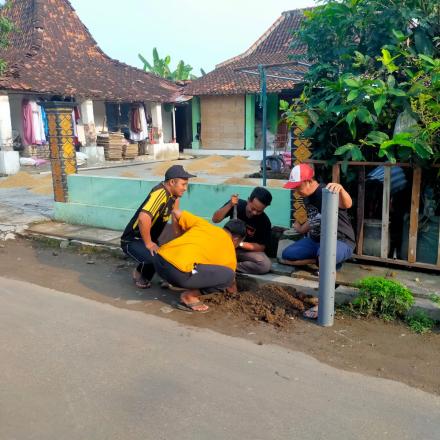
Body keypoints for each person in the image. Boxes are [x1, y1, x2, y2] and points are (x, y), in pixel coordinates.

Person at [282, 163, 356, 318]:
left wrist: (340, 189)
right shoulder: (307, 196)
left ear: (309, 181)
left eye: (297, 187)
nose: (296, 191)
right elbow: (316, 218)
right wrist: (301, 229)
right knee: (288, 254)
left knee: (325, 254)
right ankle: (324, 261)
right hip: (317, 240)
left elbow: (347, 204)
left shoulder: (326, 191)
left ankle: (324, 304)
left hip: (341, 240)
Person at [155, 210, 246, 312]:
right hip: (177, 273)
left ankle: (169, 281)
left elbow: (176, 213)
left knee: (195, 266)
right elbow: (231, 283)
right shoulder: (229, 249)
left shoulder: (204, 225)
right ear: (236, 239)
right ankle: (189, 296)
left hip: (159, 260)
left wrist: (179, 237)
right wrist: (235, 296)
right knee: (228, 275)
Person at [120, 165, 196, 288]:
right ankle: (139, 274)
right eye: (183, 184)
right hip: (133, 240)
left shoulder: (174, 196)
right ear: (172, 182)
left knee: (172, 253)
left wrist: (179, 239)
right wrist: (149, 243)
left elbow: (175, 215)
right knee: (157, 257)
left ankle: (166, 277)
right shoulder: (160, 193)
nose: (185, 188)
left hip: (150, 239)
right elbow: (143, 218)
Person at [212, 187, 272, 275]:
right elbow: (215, 219)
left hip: (243, 252)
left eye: (259, 211)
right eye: (253, 208)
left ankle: (231, 266)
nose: (254, 213)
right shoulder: (236, 205)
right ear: (248, 200)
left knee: (265, 265)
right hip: (225, 246)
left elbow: (261, 247)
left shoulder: (265, 222)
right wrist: (229, 205)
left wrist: (238, 243)